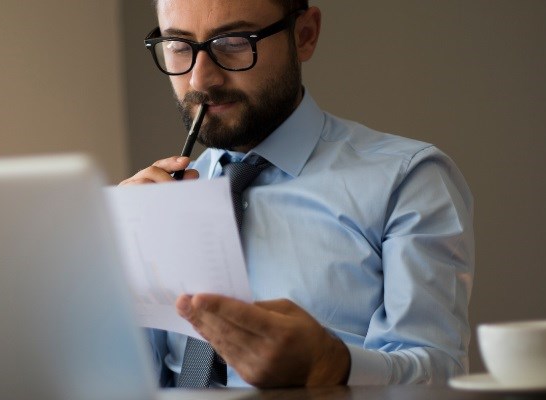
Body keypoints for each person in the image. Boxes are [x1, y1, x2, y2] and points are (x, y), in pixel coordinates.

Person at [121, 0, 474, 388]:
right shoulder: (154, 200)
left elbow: (440, 376)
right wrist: (115, 274)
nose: (201, 80)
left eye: (234, 41)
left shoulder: (407, 180)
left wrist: (332, 365)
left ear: (304, 35)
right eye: (179, 46)